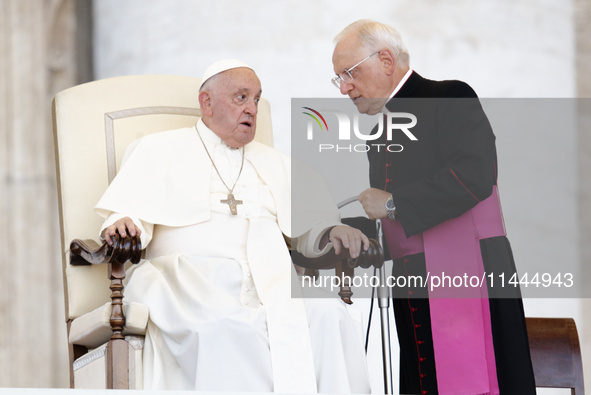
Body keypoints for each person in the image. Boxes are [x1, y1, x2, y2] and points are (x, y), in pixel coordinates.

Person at [95, 59, 371, 393]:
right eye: (241, 97)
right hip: (187, 282)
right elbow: (129, 211)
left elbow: (309, 229)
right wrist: (123, 221)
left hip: (270, 279)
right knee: (227, 326)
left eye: (256, 99)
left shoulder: (276, 162)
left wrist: (331, 231)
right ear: (207, 103)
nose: (252, 109)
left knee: (328, 314)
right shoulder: (159, 149)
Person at [331, 20, 536, 394]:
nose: (344, 87)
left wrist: (392, 203)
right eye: (338, 79)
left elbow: (475, 175)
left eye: (349, 73)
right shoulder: (379, 136)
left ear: (387, 60)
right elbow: (394, 227)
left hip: (472, 275)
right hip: (413, 290)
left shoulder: (450, 97)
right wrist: (337, 230)